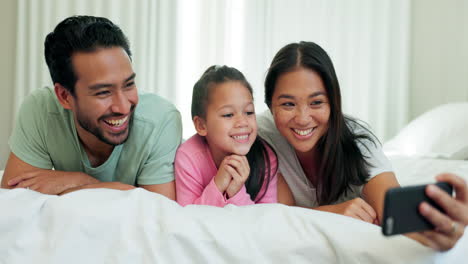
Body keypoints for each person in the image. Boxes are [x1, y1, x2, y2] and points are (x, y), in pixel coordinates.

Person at [258, 41, 467, 251]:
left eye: (316, 102)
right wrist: (331, 213)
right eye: (288, 104)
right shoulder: (257, 135)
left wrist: (444, 233)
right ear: (269, 105)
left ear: (334, 103)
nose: (303, 119)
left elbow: (395, 215)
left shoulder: (358, 143)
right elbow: (279, 216)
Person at [0, 16, 182, 199]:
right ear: (64, 96)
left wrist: (81, 181)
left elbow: (159, 212)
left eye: (128, 85)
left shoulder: (161, 120)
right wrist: (119, 191)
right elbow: (14, 200)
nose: (123, 106)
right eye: (103, 92)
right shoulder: (40, 110)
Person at [175, 65, 285, 206]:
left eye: (249, 112)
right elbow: (188, 218)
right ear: (201, 125)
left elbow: (264, 220)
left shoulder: (266, 157)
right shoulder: (188, 157)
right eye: (228, 114)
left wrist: (236, 191)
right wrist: (218, 185)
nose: (242, 122)